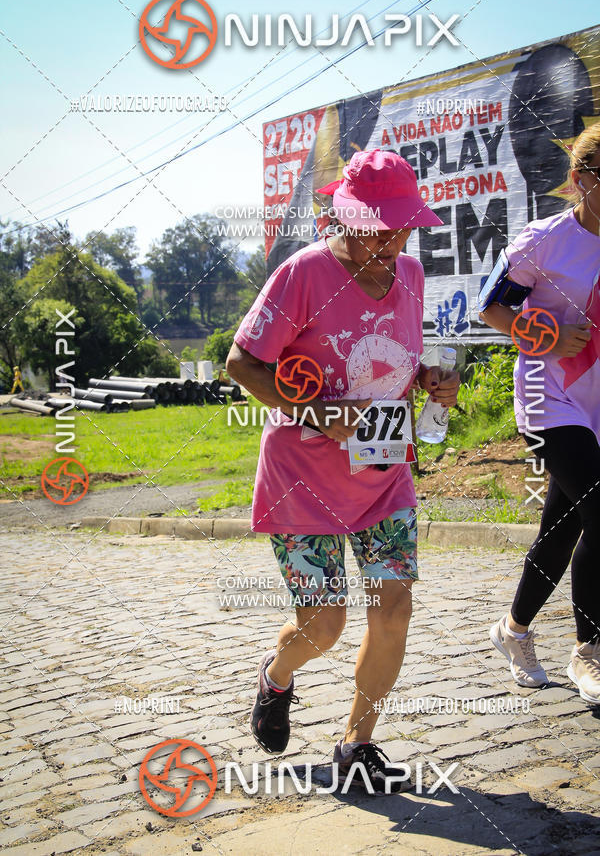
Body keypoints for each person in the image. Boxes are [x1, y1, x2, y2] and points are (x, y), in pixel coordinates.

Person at [227, 149, 460, 793]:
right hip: (303, 477)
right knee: (322, 625)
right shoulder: (303, 274)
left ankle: (358, 743)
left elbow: (392, 364)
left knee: (394, 610)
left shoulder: (408, 273)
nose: (394, 240)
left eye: (403, 226)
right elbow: (242, 365)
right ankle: (277, 677)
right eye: (378, 227)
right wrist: (316, 411)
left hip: (384, 474)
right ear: (343, 217)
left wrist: (433, 380)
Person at [479, 124, 600, 704]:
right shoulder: (545, 240)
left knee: (567, 525)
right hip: (549, 398)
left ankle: (514, 629)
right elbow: (492, 307)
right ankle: (590, 652)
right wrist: (549, 337)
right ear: (581, 179)